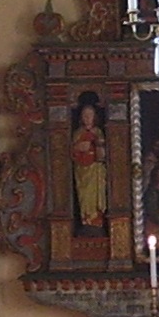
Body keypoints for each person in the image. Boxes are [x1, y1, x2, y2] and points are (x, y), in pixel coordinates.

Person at [70, 95, 107, 231]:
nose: (87, 118)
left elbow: (102, 153)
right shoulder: (78, 133)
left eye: (89, 115)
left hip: (95, 169)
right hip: (82, 170)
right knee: (85, 196)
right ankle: (86, 220)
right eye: (84, 115)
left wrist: (96, 145)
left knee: (96, 195)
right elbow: (72, 151)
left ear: (94, 117)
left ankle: (96, 221)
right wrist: (79, 148)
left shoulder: (98, 132)